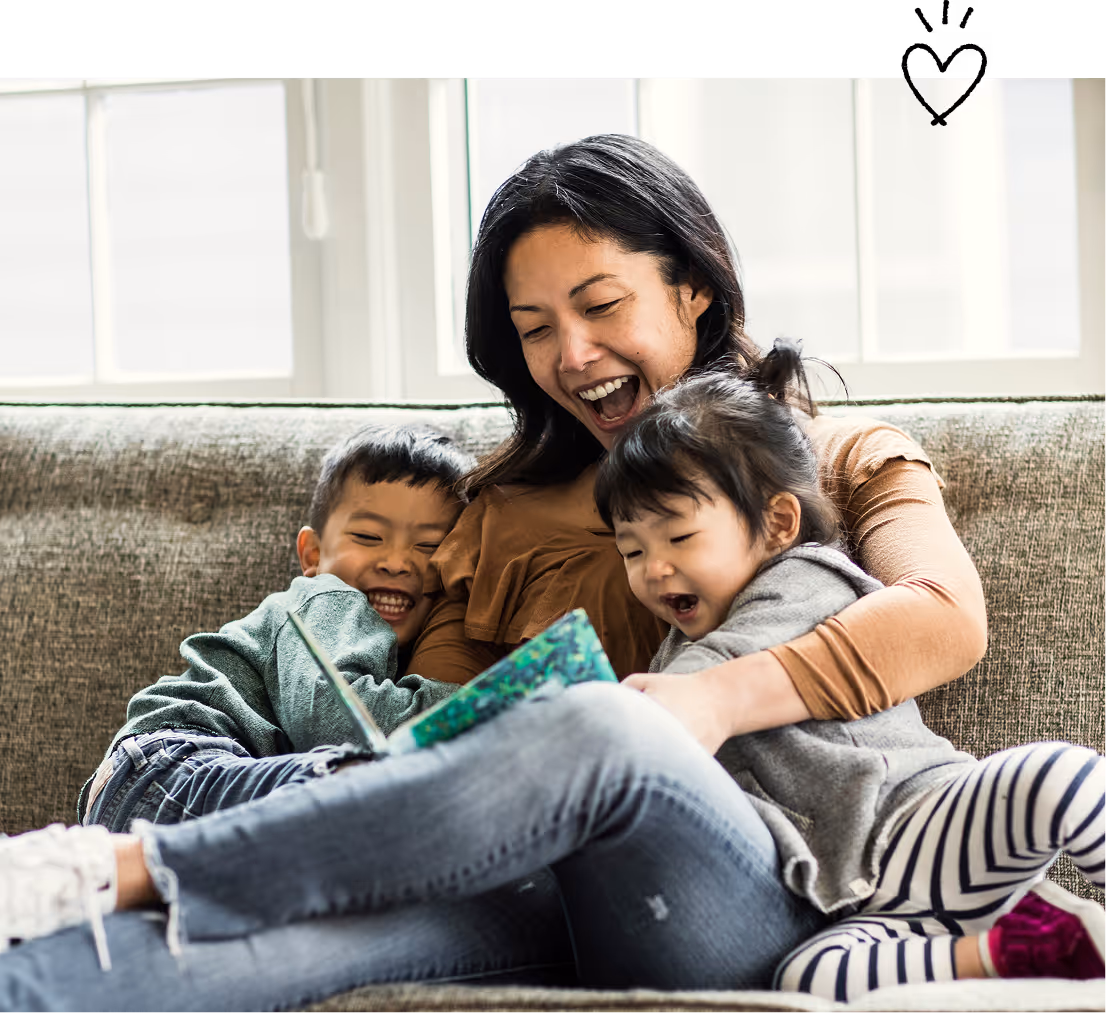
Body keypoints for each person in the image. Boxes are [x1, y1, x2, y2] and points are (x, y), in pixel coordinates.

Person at [0, 134, 988, 1009]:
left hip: (759, 886)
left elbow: (944, 616)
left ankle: (139, 862)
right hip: (520, 882)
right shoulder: (499, 511)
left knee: (607, 722)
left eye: (600, 304)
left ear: (692, 286)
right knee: (247, 945)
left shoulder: (836, 456)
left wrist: (710, 700)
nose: (574, 354)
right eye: (535, 327)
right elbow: (431, 743)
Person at [590, 356, 1106, 1000]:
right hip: (863, 899)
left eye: (679, 537)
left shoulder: (802, 579)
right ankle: (1021, 950)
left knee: (1062, 777)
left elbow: (716, 668)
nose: (653, 570)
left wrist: (616, 719)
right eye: (632, 550)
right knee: (804, 975)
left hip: (928, 824)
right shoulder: (673, 662)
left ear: (778, 524)